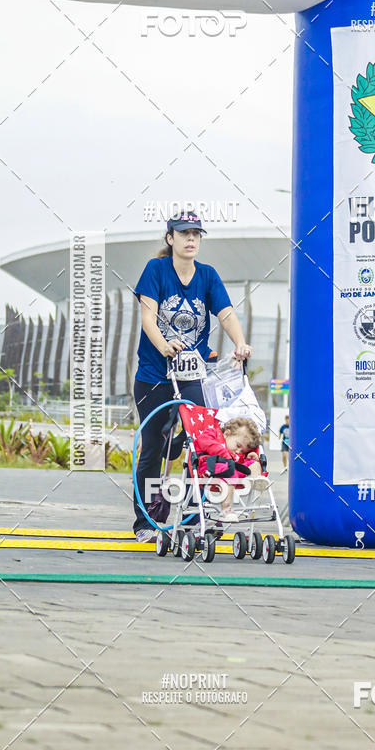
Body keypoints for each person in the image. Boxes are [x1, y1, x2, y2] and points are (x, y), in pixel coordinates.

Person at [132, 212, 252, 541]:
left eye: (196, 234)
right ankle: (145, 522)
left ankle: (191, 515)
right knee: (152, 446)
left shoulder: (207, 275)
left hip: (191, 375)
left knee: (201, 443)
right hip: (154, 375)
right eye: (184, 233)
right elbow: (148, 318)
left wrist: (240, 343)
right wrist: (164, 346)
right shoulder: (156, 270)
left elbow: (226, 314)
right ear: (170, 238)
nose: (191, 239)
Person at [193, 416, 264, 521]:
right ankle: (226, 509)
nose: (239, 451)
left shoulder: (236, 454)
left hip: (233, 470)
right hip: (211, 468)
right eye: (238, 445)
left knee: (254, 463)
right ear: (227, 434)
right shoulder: (213, 433)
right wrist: (225, 454)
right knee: (230, 473)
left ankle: (255, 478)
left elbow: (240, 464)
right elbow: (204, 441)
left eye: (243, 451)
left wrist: (249, 458)